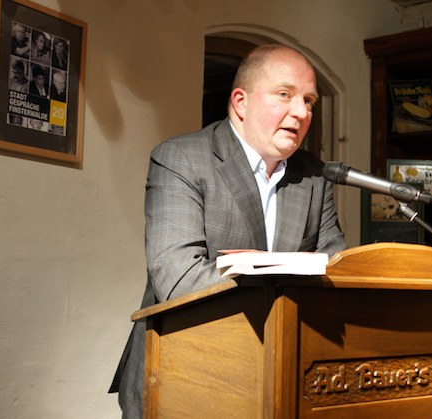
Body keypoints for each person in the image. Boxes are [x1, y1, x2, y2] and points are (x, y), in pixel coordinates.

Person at [109, 44, 348, 419]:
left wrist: (260, 267)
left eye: (309, 101)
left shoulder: (314, 175)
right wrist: (285, 269)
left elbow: (334, 271)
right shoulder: (181, 158)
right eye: (284, 95)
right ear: (240, 102)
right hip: (180, 376)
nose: (302, 113)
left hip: (276, 380)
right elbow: (179, 278)